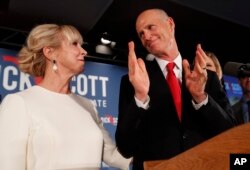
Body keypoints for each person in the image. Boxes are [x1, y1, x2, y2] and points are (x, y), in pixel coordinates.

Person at [115, 8, 236, 169]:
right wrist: (140, 97)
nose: (146, 37)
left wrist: (201, 97)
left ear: (170, 24)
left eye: (151, 27)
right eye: (141, 34)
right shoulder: (134, 82)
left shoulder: (206, 77)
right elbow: (125, 148)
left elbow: (230, 135)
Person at [0, 24, 131, 170]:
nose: (84, 51)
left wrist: (141, 97)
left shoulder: (88, 105)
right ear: (50, 52)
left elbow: (115, 157)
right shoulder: (18, 103)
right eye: (74, 44)